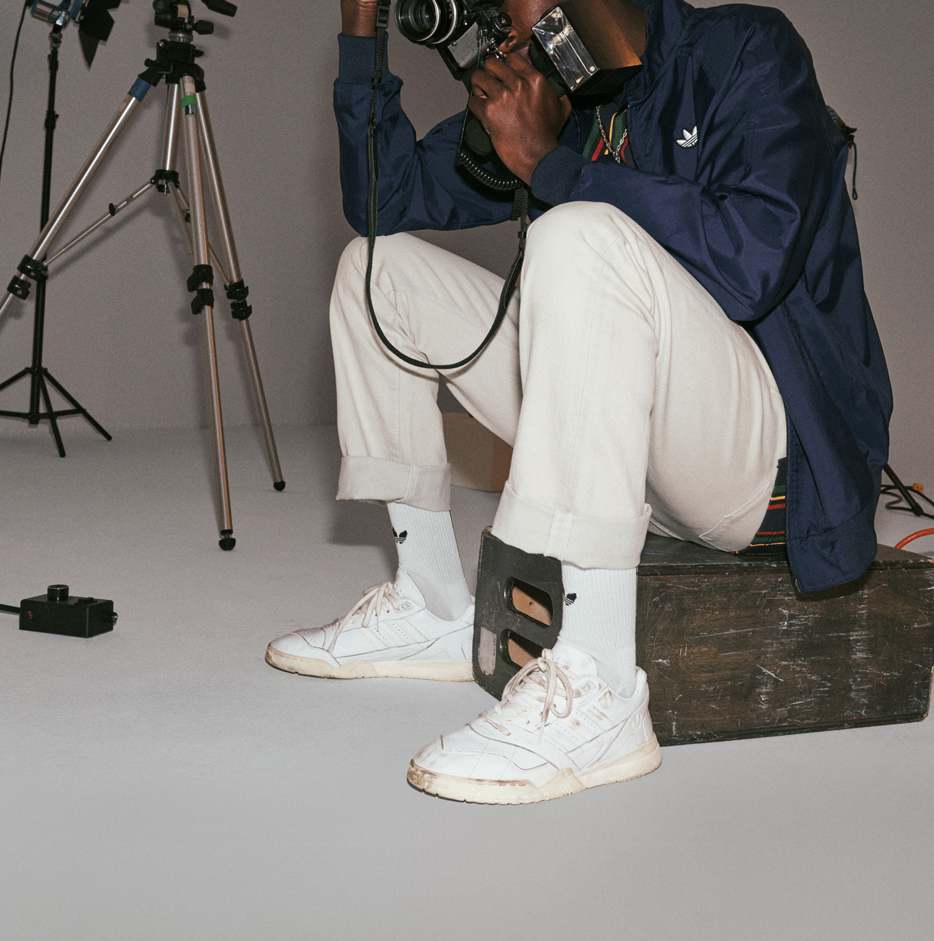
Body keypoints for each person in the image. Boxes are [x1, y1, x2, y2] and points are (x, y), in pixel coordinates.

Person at [266, 0, 892, 804]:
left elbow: (752, 263)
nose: (498, 17)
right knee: (375, 270)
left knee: (578, 232)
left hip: (769, 464)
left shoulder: (745, 49)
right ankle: (430, 601)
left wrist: (555, 167)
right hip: (629, 462)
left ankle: (599, 684)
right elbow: (382, 201)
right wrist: (361, 34)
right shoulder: (566, 93)